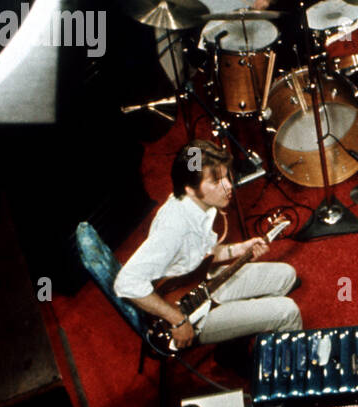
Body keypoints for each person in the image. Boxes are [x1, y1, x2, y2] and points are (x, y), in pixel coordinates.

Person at [115, 140, 302, 350]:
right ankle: (287, 375)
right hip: (191, 311)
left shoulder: (203, 205)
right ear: (191, 190)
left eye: (226, 176)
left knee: (286, 276)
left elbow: (204, 253)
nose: (228, 186)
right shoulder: (173, 229)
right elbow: (126, 282)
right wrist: (177, 320)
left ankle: (234, 342)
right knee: (288, 312)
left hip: (203, 278)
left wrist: (241, 248)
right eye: (216, 182)